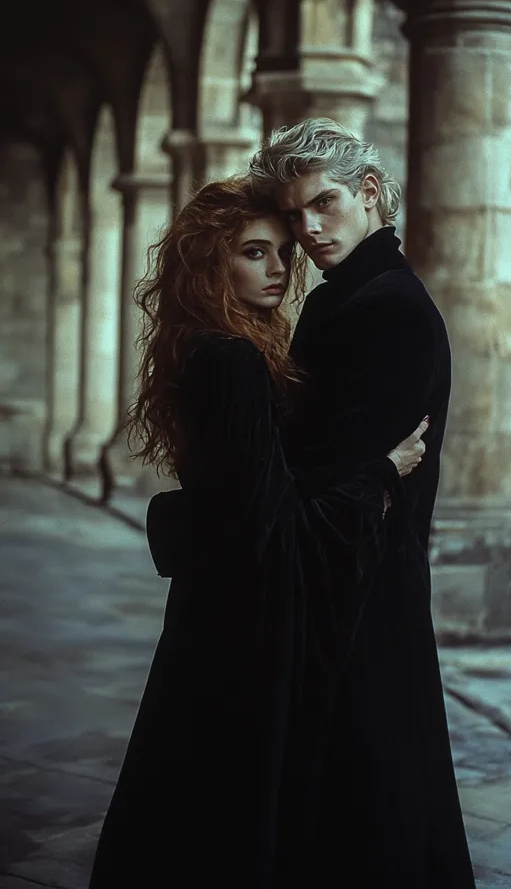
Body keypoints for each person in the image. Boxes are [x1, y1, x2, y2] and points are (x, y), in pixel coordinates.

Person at [141, 120, 477, 887]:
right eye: (293, 216)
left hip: (363, 585)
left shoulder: (387, 305)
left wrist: (211, 515)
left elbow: (323, 476)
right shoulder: (340, 301)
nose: (309, 229)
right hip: (331, 571)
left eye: (324, 203)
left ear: (368, 192)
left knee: (373, 806)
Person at [88, 175, 428, 888]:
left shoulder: (211, 347)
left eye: (281, 252)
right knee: (223, 810)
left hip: (212, 615)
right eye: (254, 252)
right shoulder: (233, 360)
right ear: (214, 263)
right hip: (239, 629)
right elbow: (272, 527)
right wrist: (381, 474)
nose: (279, 267)